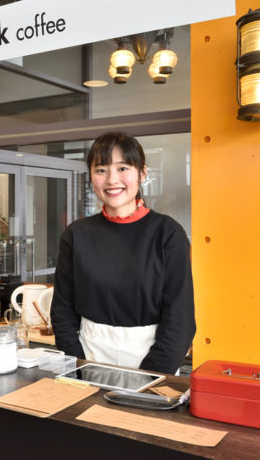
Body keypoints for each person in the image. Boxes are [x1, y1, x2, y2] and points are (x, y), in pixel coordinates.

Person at [51, 131, 195, 374]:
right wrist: (76, 364)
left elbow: (180, 318)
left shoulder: (168, 233)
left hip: (153, 360)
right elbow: (62, 309)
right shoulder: (76, 235)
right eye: (101, 170)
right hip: (89, 356)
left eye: (122, 168)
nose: (111, 179)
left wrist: (152, 375)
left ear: (142, 173)